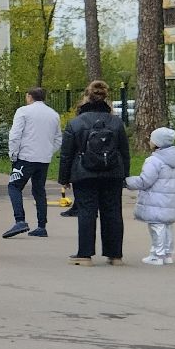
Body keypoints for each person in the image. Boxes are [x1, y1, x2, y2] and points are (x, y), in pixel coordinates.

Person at [58, 79, 131, 266]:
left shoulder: (75, 123)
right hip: (112, 173)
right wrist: (124, 175)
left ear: (86, 98)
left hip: (84, 173)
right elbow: (124, 152)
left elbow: (67, 153)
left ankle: (85, 255)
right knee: (113, 212)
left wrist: (64, 178)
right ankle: (115, 256)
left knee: (86, 212)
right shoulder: (116, 122)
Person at [3, 86, 63, 239]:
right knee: (39, 190)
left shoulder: (23, 111)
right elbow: (58, 139)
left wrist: (13, 154)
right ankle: (42, 226)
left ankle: (20, 220)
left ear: (29, 96)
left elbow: (15, 134)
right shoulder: (53, 115)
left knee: (14, 186)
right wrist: (49, 151)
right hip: (43, 159)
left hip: (25, 157)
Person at [125, 127, 175, 265]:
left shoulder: (153, 161)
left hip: (156, 200)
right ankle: (167, 254)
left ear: (157, 143)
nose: (149, 141)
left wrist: (127, 181)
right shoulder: (173, 159)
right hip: (168, 200)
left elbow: (145, 181)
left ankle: (157, 254)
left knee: (156, 226)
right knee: (167, 226)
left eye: (152, 139)